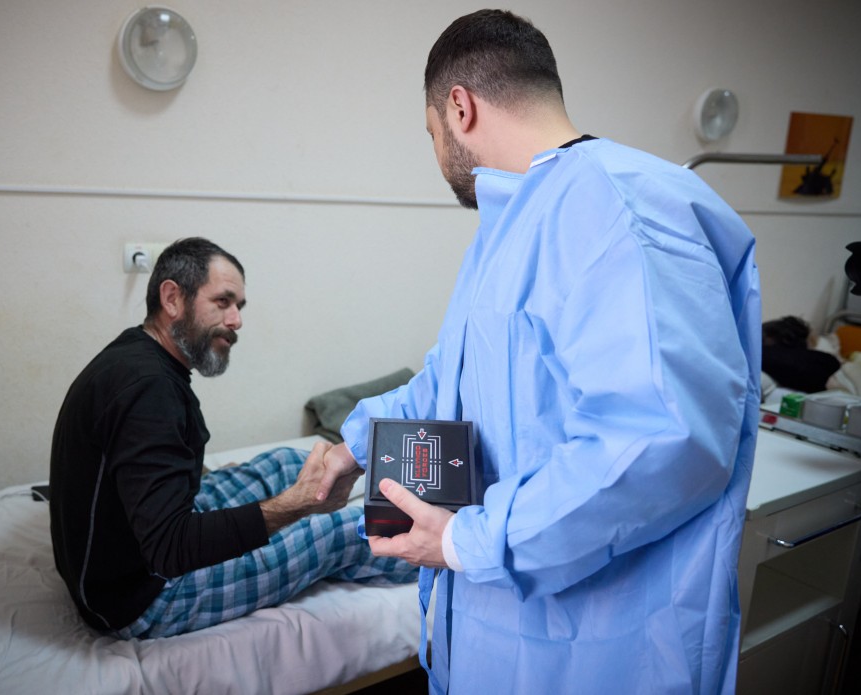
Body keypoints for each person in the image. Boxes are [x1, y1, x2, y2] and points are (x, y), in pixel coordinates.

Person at [317, 10, 760, 694]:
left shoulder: (619, 209)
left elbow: (656, 442)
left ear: (459, 108)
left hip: (600, 653)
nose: (437, 154)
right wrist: (358, 442)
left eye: (431, 134)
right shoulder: (518, 222)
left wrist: (465, 540)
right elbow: (456, 378)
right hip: (501, 637)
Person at [49, 237, 415, 638]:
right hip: (139, 596)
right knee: (340, 532)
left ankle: (406, 491)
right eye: (223, 302)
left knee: (285, 462)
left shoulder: (136, 356)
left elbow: (142, 464)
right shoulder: (148, 389)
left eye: (238, 306)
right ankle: (432, 549)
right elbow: (170, 548)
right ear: (172, 298)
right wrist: (297, 505)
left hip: (132, 543)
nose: (236, 320)